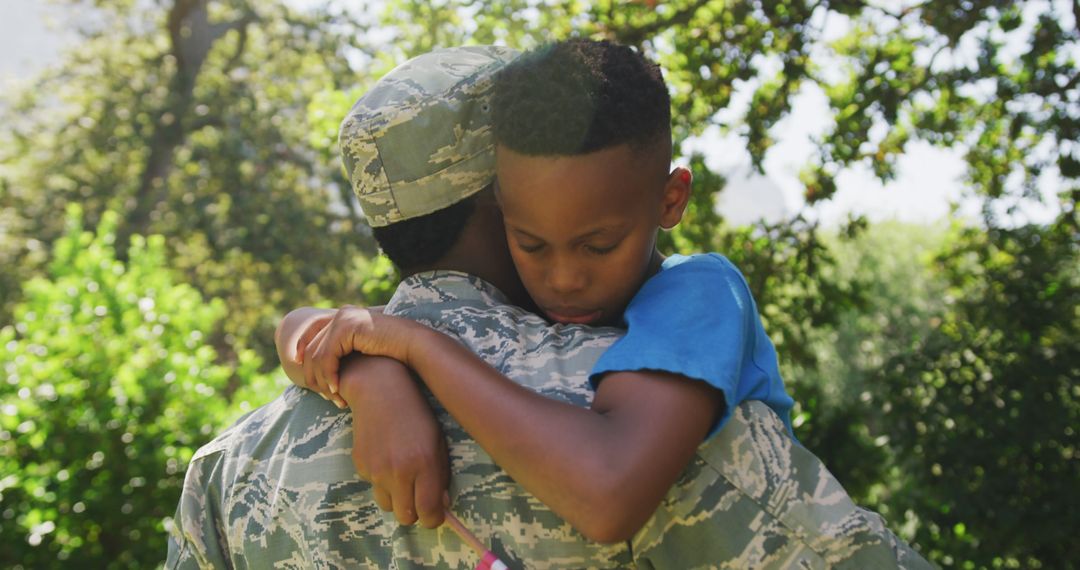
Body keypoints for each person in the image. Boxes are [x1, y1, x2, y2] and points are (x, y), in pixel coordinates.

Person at [290, 42, 931, 568]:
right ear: (500, 214)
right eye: (530, 243)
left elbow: (608, 496)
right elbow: (306, 331)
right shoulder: (541, 316)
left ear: (671, 201)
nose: (564, 279)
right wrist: (373, 375)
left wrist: (415, 346)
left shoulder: (701, 292)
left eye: (599, 245)